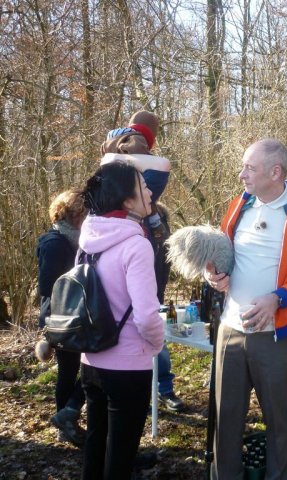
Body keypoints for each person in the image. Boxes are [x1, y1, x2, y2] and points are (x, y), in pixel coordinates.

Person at [204, 139, 287, 479]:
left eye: (250, 167)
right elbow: (222, 252)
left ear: (275, 172)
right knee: (225, 419)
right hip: (230, 331)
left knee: (278, 423)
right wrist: (214, 272)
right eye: (243, 166)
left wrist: (278, 298)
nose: (241, 174)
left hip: (276, 336)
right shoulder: (238, 205)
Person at [78, 161, 164, 479]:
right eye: (143, 187)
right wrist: (156, 344)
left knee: (95, 445)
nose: (150, 191)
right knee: (121, 455)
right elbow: (146, 315)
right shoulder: (136, 245)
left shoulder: (88, 240)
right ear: (127, 201)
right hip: (127, 366)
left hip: (91, 360)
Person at [101, 111, 185, 412]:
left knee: (146, 323)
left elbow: (162, 243)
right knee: (139, 329)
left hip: (148, 280)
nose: (148, 192)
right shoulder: (110, 210)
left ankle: (163, 387)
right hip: (126, 281)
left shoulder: (152, 213)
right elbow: (161, 167)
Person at [36, 190, 88, 447]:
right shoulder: (54, 243)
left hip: (74, 314)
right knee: (71, 370)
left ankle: (66, 414)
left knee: (81, 368)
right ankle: (64, 420)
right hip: (61, 317)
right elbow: (47, 286)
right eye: (84, 212)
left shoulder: (77, 241)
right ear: (74, 214)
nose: (88, 216)